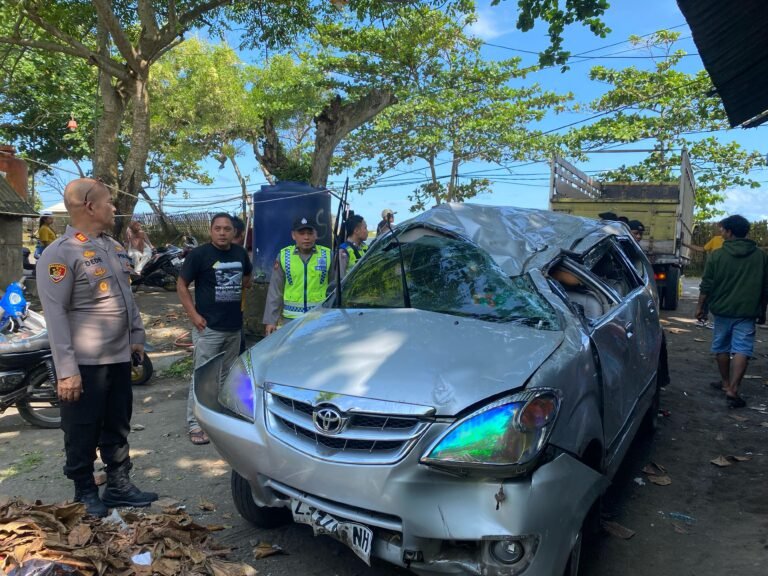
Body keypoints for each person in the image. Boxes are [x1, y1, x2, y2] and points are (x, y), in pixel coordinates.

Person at [36, 178, 158, 517]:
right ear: (90, 206)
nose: (114, 207)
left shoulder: (113, 246)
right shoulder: (59, 253)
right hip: (84, 363)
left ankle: (118, 484)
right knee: (82, 429)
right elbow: (55, 315)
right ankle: (85, 491)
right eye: (108, 202)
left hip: (119, 356)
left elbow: (126, 297)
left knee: (117, 424)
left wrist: (137, 336)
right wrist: (67, 371)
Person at [177, 213, 252, 445]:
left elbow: (247, 278)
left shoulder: (240, 253)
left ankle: (220, 417)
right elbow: (181, 284)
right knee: (202, 377)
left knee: (227, 376)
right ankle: (195, 423)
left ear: (234, 232)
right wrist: (193, 315)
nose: (222, 233)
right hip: (208, 328)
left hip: (234, 328)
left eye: (227, 229)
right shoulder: (199, 255)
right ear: (211, 231)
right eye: (217, 228)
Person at [695, 215, 768, 408]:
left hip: (722, 310)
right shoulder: (761, 256)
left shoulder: (717, 256)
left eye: (722, 230)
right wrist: (763, 311)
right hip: (747, 312)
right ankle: (733, 390)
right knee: (742, 349)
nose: (721, 233)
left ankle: (726, 382)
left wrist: (700, 307)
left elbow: (707, 285)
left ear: (729, 232)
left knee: (721, 347)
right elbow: (765, 288)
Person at [263, 216, 332, 335]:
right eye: (302, 233)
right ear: (293, 235)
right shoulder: (284, 256)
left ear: (316, 235)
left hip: (319, 318)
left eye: (310, 233)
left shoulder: (327, 255)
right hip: (291, 320)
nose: (306, 237)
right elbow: (275, 290)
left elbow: (334, 287)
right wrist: (271, 321)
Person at [338, 212, 368, 278]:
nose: (367, 231)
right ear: (356, 231)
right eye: (365, 228)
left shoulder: (365, 247)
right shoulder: (343, 251)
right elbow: (341, 278)